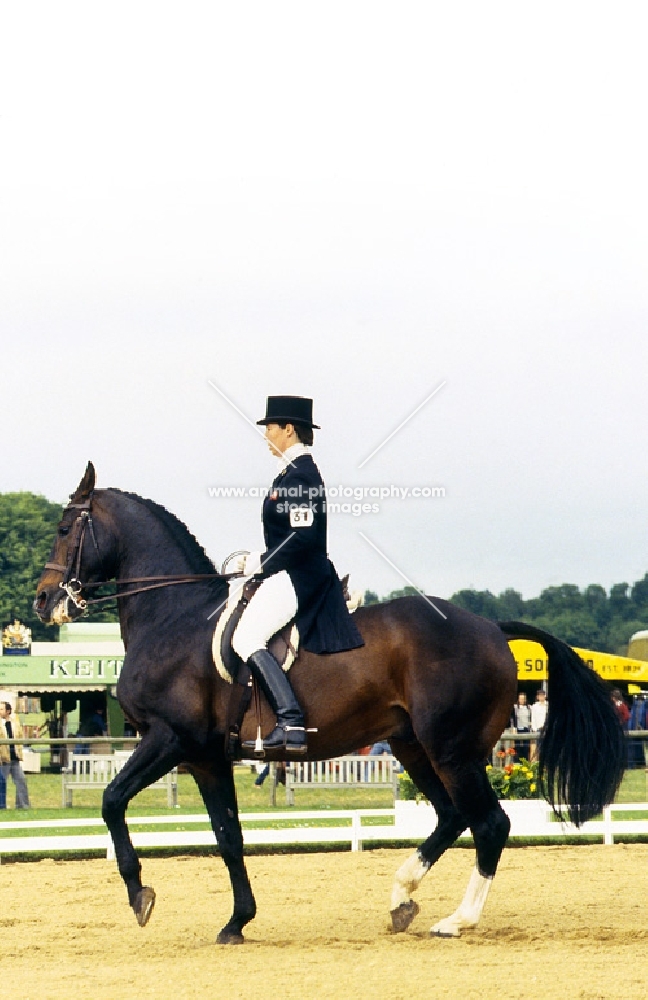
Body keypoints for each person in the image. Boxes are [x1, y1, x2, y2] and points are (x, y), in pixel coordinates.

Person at [231, 395, 364, 756]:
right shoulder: (290, 473)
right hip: (289, 569)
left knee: (245, 637)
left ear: (288, 429)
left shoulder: (301, 475)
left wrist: (258, 561)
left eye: (270, 428)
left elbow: (302, 538)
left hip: (301, 575)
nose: (266, 435)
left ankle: (290, 721)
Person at [0, 702, 30, 808]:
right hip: (3, 759)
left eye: (1, 709)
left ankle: (23, 804)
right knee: (1, 782)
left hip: (14, 758)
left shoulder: (15, 723)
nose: (0, 711)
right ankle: (2, 805)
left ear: (8, 711)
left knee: (21, 780)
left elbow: (20, 737)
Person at [529, 689, 548, 762]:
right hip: (538, 729)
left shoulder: (548, 705)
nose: (541, 697)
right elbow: (533, 718)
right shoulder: (535, 706)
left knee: (546, 747)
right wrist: (534, 728)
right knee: (538, 747)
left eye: (543, 695)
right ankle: (538, 763)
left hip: (547, 729)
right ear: (537, 697)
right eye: (540, 696)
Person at [512, 692, 532, 759]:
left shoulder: (529, 707)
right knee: (517, 746)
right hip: (518, 729)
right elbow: (513, 718)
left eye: (523, 699)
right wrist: (514, 728)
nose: (522, 700)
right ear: (518, 699)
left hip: (526, 728)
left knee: (526, 746)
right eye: (520, 699)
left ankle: (525, 760)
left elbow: (532, 718)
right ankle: (518, 760)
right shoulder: (515, 707)